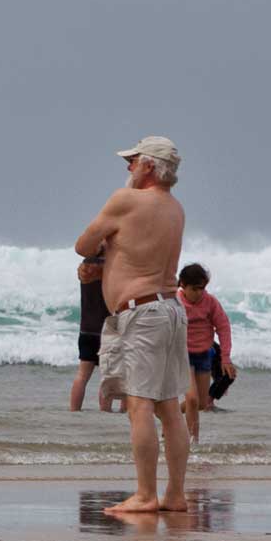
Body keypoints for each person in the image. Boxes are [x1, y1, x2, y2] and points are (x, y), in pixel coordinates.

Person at [74, 135, 190, 515]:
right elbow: (135, 247)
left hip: (142, 314)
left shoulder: (126, 200)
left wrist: (101, 253)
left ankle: (145, 494)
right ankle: (174, 494)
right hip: (170, 310)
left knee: (139, 405)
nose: (128, 167)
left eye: (134, 160)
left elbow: (83, 243)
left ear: (150, 167)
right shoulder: (175, 208)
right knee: (169, 407)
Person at [176, 262, 234, 443]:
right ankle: (192, 443)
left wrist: (225, 358)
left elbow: (223, 327)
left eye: (202, 288)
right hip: (182, 355)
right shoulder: (175, 303)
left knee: (201, 403)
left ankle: (171, 415)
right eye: (195, 289)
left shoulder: (210, 302)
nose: (199, 293)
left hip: (204, 355)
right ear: (183, 286)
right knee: (192, 399)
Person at [70, 258, 111, 411]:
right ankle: (105, 413)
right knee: (107, 377)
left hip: (86, 329)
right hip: (108, 331)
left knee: (82, 376)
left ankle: (74, 411)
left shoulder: (85, 270)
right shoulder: (108, 271)